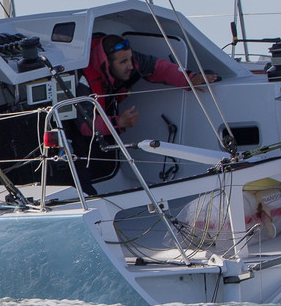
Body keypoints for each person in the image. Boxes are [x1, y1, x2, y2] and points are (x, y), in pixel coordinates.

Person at [68, 34, 219, 192]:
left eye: (130, 59)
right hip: (74, 133)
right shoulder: (84, 81)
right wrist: (119, 122)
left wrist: (189, 78)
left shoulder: (132, 62)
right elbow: (86, 125)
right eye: (123, 62)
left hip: (103, 118)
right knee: (83, 170)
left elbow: (159, 68)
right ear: (107, 64)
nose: (130, 66)